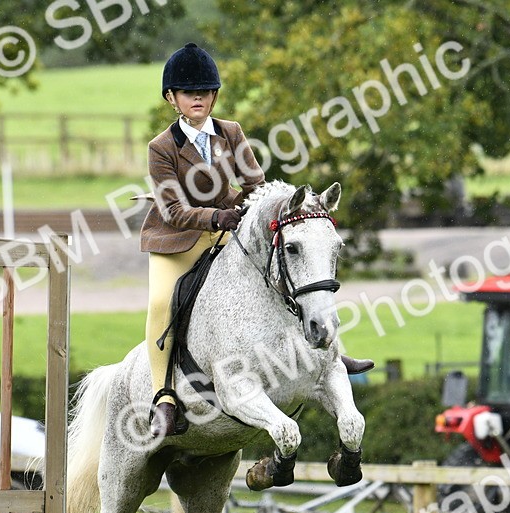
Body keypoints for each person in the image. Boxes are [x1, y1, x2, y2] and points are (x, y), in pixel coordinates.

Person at [141, 43, 373, 438]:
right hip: (178, 237)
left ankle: (330, 351)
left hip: (231, 226)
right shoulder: (162, 147)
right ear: (171, 98)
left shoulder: (230, 132)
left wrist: (268, 210)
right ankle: (162, 395)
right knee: (164, 301)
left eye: (205, 91)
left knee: (289, 273)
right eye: (188, 92)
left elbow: (256, 185)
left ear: (214, 96)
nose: (197, 98)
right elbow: (176, 210)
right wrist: (218, 216)